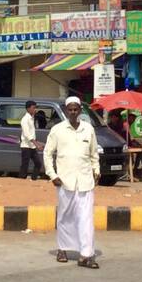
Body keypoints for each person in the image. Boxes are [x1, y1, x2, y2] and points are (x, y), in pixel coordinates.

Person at [44, 97, 100, 269]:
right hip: (65, 181)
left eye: (76, 109)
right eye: (70, 109)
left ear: (80, 111)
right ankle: (62, 249)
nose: (73, 112)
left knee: (86, 219)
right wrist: (52, 175)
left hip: (85, 181)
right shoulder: (57, 130)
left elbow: (94, 154)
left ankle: (86, 255)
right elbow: (47, 154)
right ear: (66, 111)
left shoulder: (88, 129)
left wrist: (96, 170)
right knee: (65, 217)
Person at [19, 100, 43, 180]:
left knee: (38, 163)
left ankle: (33, 179)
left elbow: (32, 133)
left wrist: (37, 143)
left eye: (35, 108)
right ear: (28, 109)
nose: (35, 109)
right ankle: (22, 181)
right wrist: (36, 144)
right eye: (33, 108)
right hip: (26, 146)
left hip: (32, 146)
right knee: (25, 165)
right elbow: (27, 134)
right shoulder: (25, 119)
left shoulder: (32, 118)